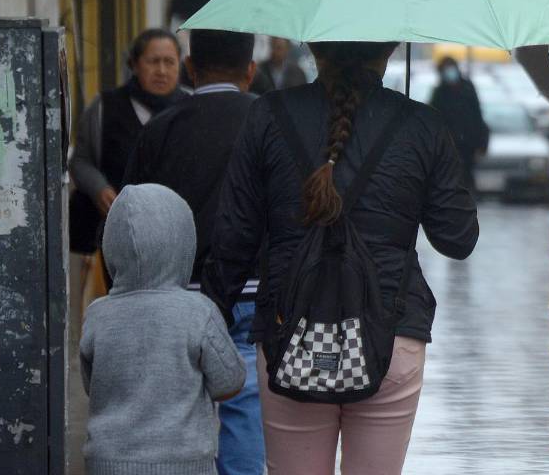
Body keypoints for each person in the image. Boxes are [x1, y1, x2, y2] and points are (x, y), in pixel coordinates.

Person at [202, 40, 479, 475]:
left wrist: (208, 322)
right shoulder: (422, 124)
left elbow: (234, 238)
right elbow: (458, 238)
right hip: (391, 330)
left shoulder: (268, 115)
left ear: (315, 47)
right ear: (388, 51)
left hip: (288, 333)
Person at [122, 29, 264, 475]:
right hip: (253, 291)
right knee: (244, 405)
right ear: (251, 69)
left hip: (176, 293)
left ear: (189, 67)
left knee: (174, 410)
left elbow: (132, 218)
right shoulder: (271, 122)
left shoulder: (159, 128)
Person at [80, 183, 245, 475]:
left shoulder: (97, 315)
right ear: (184, 243)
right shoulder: (198, 311)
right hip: (184, 463)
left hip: (107, 463)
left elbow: (92, 384)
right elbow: (229, 381)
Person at [69, 28, 188, 300]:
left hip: (178, 238)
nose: (161, 70)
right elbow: (81, 161)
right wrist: (99, 188)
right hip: (119, 241)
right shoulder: (105, 107)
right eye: (152, 61)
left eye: (169, 62)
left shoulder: (193, 109)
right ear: (134, 64)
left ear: (180, 65)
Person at [427, 57, 489, 192]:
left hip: (468, 145)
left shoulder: (467, 88)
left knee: (466, 181)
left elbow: (477, 116)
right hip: (448, 146)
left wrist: (482, 143)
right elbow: (434, 117)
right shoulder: (440, 93)